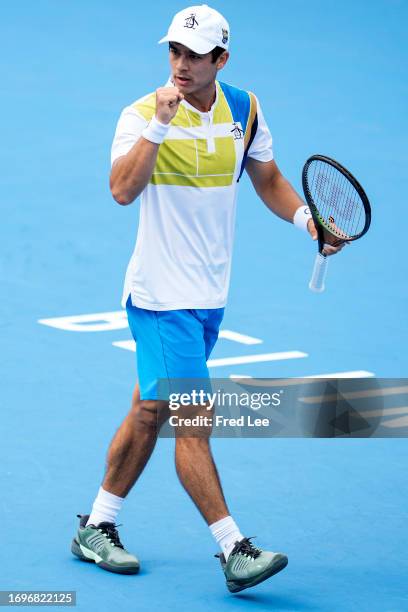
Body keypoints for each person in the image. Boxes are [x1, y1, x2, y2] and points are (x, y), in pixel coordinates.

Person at [71, 4, 344, 593]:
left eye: (195, 55)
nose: (181, 64)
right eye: (174, 51)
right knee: (192, 420)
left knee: (149, 410)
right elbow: (122, 190)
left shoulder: (244, 108)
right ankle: (233, 548)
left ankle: (96, 525)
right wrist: (159, 127)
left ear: (222, 59)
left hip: (208, 296)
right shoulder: (142, 113)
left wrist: (307, 222)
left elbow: (266, 177)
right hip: (159, 297)